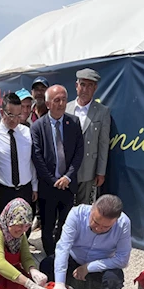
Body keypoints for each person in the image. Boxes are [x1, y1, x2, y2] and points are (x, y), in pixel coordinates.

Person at [39, 195, 130, 289]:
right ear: (92, 207)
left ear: (116, 220)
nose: (99, 229)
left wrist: (89, 267)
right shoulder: (77, 213)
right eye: (95, 222)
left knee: (115, 282)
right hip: (75, 256)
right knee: (46, 265)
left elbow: (122, 259)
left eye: (106, 227)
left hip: (102, 262)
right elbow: (63, 247)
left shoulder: (124, 223)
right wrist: (60, 283)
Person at [31, 84, 84, 256]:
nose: (61, 103)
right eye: (56, 100)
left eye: (63, 99)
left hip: (68, 186)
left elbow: (79, 152)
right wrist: (53, 181)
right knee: (47, 226)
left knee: (65, 224)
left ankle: (62, 254)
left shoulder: (73, 122)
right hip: (48, 187)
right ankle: (50, 257)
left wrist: (68, 177)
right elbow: (37, 157)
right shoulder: (38, 127)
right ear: (47, 104)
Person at [66, 68, 111, 205]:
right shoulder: (66, 109)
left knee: (84, 208)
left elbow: (103, 143)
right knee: (65, 207)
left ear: (95, 88)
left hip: (88, 169)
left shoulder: (102, 112)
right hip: (66, 170)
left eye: (90, 85)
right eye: (83, 85)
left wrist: (100, 172)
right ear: (76, 86)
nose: (85, 89)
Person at [0, 93, 38, 217]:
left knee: (24, 228)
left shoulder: (27, 133)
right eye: (10, 115)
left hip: (25, 190)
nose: (14, 120)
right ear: (2, 112)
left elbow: (31, 162)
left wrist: (34, 187)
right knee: (4, 229)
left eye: (18, 116)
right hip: (3, 191)